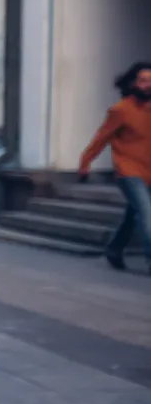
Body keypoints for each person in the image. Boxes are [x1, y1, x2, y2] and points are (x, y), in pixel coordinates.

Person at [78, 62, 151, 274]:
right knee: (147, 213)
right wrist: (85, 162)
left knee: (133, 214)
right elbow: (101, 138)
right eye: (143, 80)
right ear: (132, 83)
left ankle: (114, 248)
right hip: (129, 171)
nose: (148, 85)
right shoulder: (121, 110)